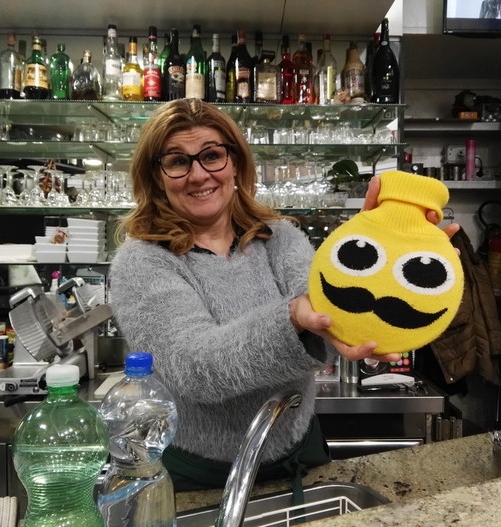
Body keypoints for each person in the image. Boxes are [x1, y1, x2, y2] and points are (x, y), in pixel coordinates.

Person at [108, 98, 459, 492]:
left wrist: (390, 251)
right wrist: (291, 317)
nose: (198, 174)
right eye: (177, 161)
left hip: (300, 452)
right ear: (156, 176)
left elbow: (328, 316)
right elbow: (195, 370)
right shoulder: (141, 262)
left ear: (236, 163)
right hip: (201, 474)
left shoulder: (281, 238)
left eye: (211, 155)